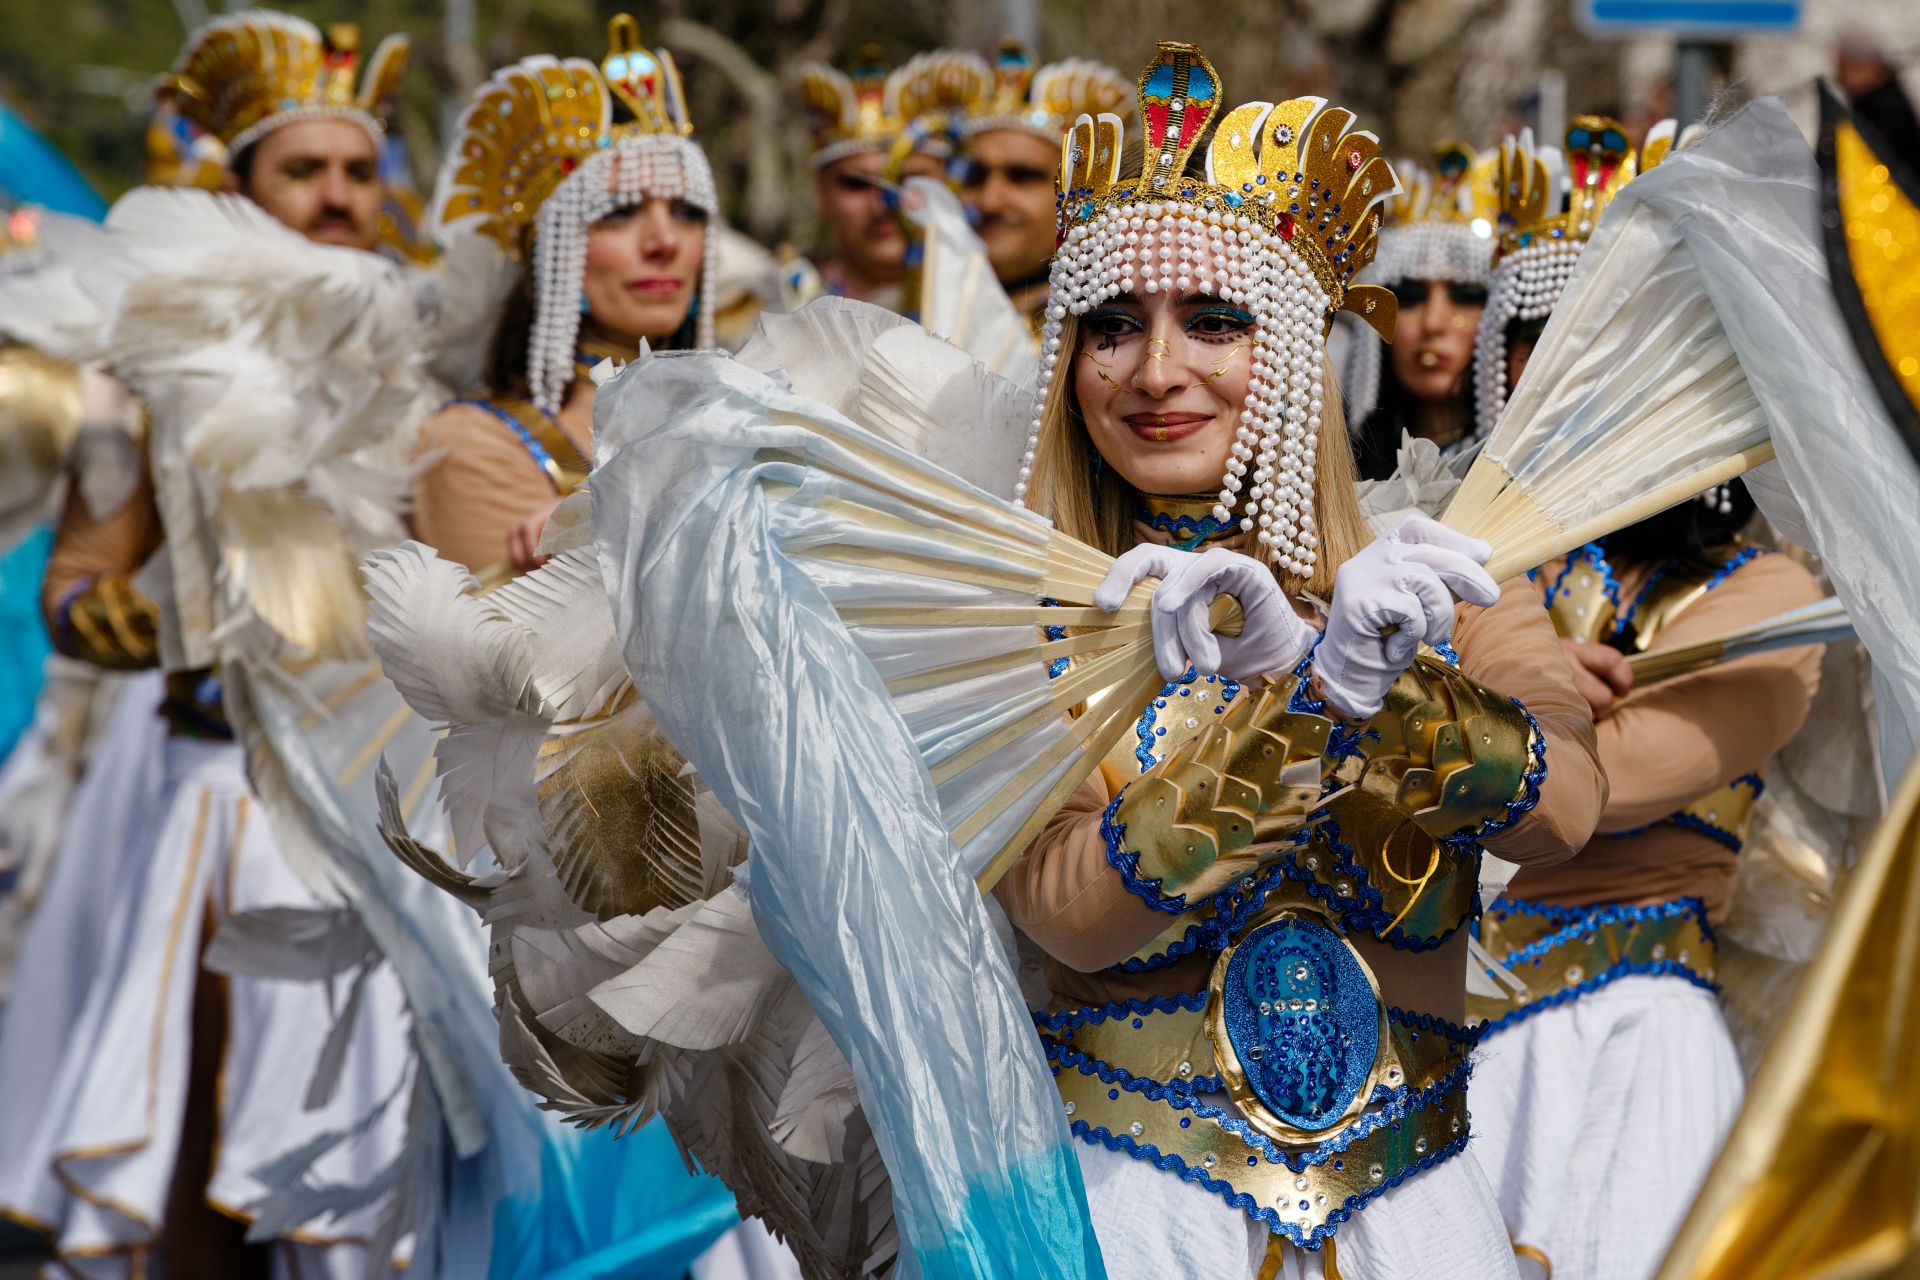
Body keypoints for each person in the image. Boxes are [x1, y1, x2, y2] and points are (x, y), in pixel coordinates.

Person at [998, 42, 1605, 1278]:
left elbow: (1569, 815)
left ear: (1291, 348)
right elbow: (1074, 917)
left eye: (1213, 321)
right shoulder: (1020, 626)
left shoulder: (1448, 579)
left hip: (1420, 1225)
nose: (1157, 370)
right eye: (1112, 325)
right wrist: (1308, 703)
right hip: (1138, 1219)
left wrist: (1394, 682)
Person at [0, 14, 421, 1276]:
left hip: (399, 800)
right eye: (305, 172)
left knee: (382, 1171)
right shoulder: (155, 354)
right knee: (206, 1141)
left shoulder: (437, 342)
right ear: (237, 188)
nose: (339, 198)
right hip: (224, 793)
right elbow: (80, 567)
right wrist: (98, 615)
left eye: (358, 171)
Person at [1464, 119, 1824, 1280]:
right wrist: (1530, 664)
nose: (1586, 375)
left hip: (1631, 1029)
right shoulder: (1473, 552)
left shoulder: (1770, 594)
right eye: (1548, 338)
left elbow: (1597, 788)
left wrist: (1486, 666)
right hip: (1433, 1032)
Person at [411, 16, 720, 575]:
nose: (665, 241)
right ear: (554, 255)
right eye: (620, 212)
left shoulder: (749, 410)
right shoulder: (472, 446)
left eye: (687, 212)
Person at [1344, 143, 1495, 480]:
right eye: (1409, 298)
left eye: (1466, 297)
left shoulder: (1543, 473)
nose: (1433, 324)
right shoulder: (1331, 473)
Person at [960, 40, 1131, 326]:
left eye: (1023, 177)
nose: (989, 201)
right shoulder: (913, 310)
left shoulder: (1109, 329)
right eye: (974, 176)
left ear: (1083, 193)